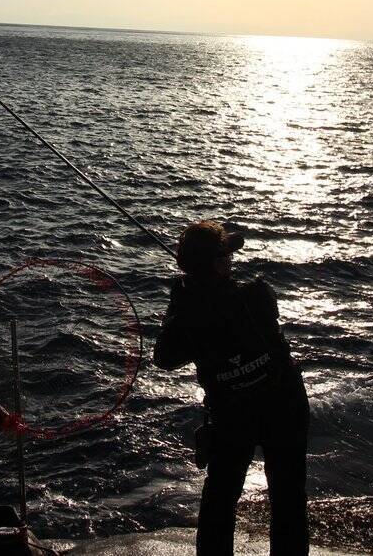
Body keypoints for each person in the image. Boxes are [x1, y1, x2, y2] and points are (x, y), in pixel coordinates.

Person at [153, 220, 310, 555]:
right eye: (226, 256)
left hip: (232, 412)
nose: (231, 261)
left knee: (220, 497)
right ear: (218, 264)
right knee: (288, 495)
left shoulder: (188, 313)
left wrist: (180, 298)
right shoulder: (256, 295)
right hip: (283, 403)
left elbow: (164, 357)